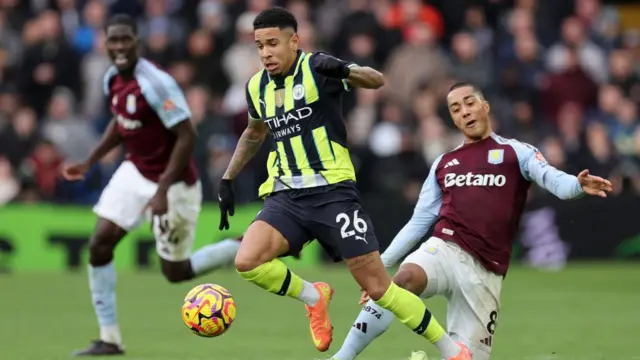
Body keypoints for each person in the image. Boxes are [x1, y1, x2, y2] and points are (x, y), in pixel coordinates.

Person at [216, 7, 471, 360]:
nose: (266, 53)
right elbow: (254, 131)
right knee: (248, 261)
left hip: (333, 195)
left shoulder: (317, 68)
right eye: (260, 46)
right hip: (286, 196)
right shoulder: (256, 86)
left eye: (273, 44)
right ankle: (313, 296)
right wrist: (228, 177)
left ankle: (451, 349)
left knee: (379, 287)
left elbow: (376, 80)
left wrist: (345, 70)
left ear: (294, 41)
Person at [329, 82, 613, 360]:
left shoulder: (517, 152)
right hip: (444, 249)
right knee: (399, 283)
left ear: (485, 106)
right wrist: (380, 267)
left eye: (469, 103)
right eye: (455, 108)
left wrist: (577, 185)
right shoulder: (444, 162)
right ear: (452, 118)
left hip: (485, 274)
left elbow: (553, 179)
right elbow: (419, 222)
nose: (464, 112)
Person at [62, 14, 242, 356]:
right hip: (135, 171)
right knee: (99, 244)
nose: (118, 47)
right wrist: (91, 159)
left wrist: (161, 191)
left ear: (137, 42)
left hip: (174, 183)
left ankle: (244, 244)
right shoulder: (112, 78)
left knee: (175, 272)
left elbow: (187, 135)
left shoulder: (156, 83)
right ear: (104, 42)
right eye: (112, 40)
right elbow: (122, 121)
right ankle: (109, 338)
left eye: (125, 40)